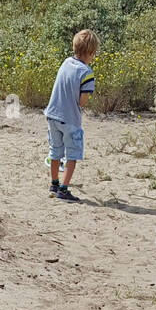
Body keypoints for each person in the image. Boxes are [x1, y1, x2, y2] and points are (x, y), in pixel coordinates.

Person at [44, 28, 99, 203]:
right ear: (91, 53)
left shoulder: (66, 62)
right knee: (72, 155)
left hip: (52, 114)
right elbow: (82, 102)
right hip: (70, 119)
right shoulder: (87, 72)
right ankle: (64, 190)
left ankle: (53, 183)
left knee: (55, 151)